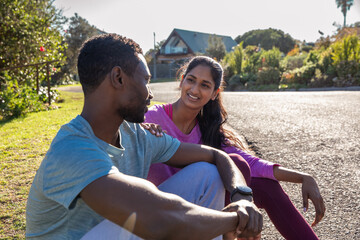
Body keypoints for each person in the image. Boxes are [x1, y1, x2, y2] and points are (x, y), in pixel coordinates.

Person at [25, 34, 263, 240]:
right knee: (153, 215)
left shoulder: (136, 133)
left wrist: (242, 197)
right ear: (118, 78)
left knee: (206, 173)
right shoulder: (72, 148)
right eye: (146, 80)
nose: (150, 94)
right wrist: (236, 220)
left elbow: (214, 154)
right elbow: (158, 220)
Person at [144, 56, 326, 240]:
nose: (195, 89)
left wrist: (303, 178)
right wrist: (141, 128)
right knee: (233, 167)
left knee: (259, 180)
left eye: (205, 85)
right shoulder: (150, 119)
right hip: (155, 212)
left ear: (215, 93)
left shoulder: (208, 131)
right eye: (191, 80)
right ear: (182, 80)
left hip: (197, 208)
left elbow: (254, 164)